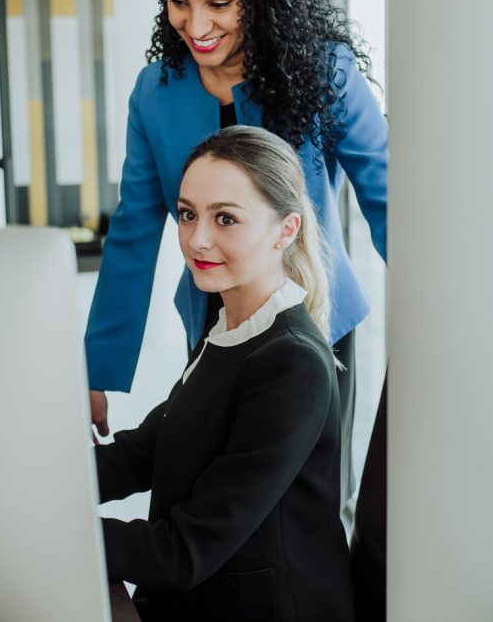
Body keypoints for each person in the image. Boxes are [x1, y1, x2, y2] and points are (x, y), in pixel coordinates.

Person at [86, 0, 388, 505]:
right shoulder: (156, 91)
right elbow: (132, 230)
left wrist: (451, 321)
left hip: (316, 321)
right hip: (212, 319)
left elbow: (389, 197)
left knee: (305, 501)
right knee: (207, 486)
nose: (195, 26)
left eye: (219, 3)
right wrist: (94, 366)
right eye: (178, 2)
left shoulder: (325, 70)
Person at [95, 126, 355, 621]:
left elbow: (184, 552)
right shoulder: (229, 327)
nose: (197, 239)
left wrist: (51, 527)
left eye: (226, 219)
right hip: (204, 596)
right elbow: (145, 452)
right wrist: (36, 483)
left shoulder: (291, 363)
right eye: (188, 214)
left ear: (286, 230)